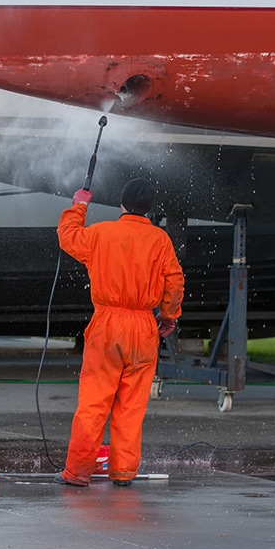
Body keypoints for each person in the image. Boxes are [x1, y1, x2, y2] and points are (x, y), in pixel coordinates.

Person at [55, 177, 184, 487]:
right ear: (150, 209)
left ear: (122, 203)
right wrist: (168, 316)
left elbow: (67, 236)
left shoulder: (101, 234)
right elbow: (175, 282)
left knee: (94, 403)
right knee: (131, 405)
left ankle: (77, 473)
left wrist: (79, 205)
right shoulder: (160, 240)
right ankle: (124, 472)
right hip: (143, 328)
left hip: (107, 325)